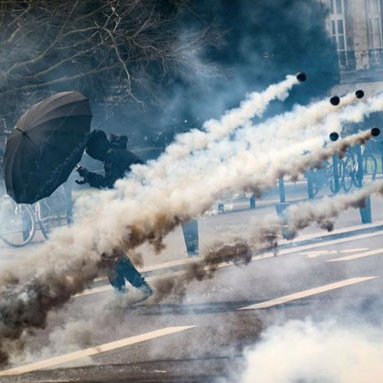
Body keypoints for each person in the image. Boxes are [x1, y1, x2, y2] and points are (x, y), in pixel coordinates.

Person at [76, 130, 153, 299]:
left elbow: (111, 185)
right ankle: (130, 290)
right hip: (137, 204)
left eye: (93, 151)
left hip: (138, 206)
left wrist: (89, 176)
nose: (94, 156)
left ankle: (132, 290)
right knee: (109, 250)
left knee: (108, 249)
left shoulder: (113, 156)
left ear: (100, 145)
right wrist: (89, 177)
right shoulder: (116, 153)